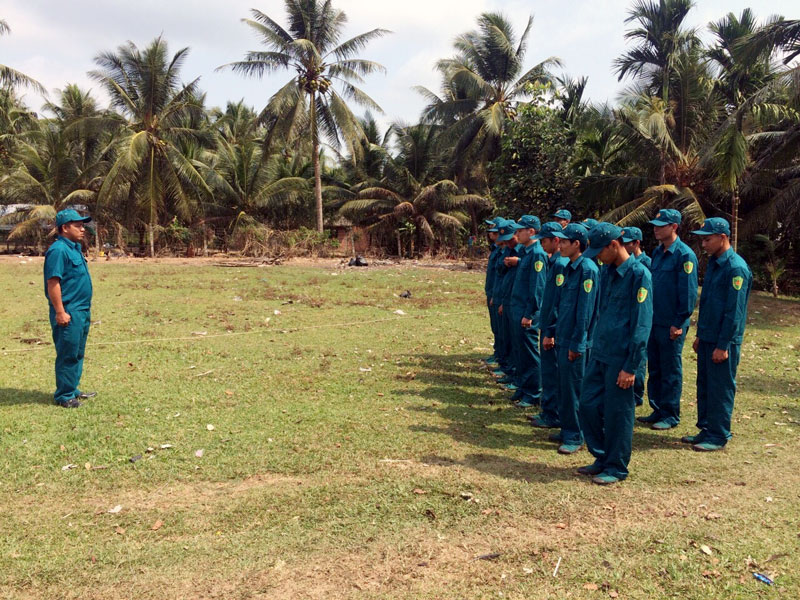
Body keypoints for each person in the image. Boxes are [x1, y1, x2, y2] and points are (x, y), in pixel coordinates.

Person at [577, 223, 653, 485]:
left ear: (614, 245)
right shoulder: (606, 272)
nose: (597, 256)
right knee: (587, 404)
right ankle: (601, 456)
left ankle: (616, 466)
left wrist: (631, 366)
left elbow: (642, 325)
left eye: (600, 251)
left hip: (621, 358)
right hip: (600, 352)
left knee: (618, 414)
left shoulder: (639, 275)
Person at [685, 217, 752, 451]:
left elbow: (734, 312)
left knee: (720, 387)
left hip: (723, 341)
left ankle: (718, 434)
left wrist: (723, 345)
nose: (703, 244)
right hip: (708, 337)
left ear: (723, 238)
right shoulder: (714, 263)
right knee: (705, 384)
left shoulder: (735, 268)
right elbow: (709, 304)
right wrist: (700, 335)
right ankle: (706, 428)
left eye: (708, 239)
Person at [637, 209, 699, 431]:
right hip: (654, 319)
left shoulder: (684, 255)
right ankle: (657, 408)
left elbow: (688, 294)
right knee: (655, 367)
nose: (655, 228)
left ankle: (670, 413)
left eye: (661, 225)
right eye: (655, 224)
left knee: (670, 368)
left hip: (672, 323)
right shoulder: (658, 252)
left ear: (674, 227)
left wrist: (679, 322)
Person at [548, 223, 599, 454]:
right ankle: (567, 427)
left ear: (576, 244)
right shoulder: (570, 267)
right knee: (563, 386)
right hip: (563, 336)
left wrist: (578, 343)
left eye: (564, 242)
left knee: (574, 388)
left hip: (575, 341)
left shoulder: (587, 270)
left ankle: (576, 434)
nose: (560, 245)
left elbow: (585, 311)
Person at [44, 209, 96, 408]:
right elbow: (53, 283)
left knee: (77, 351)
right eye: (78, 225)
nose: (83, 229)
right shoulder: (58, 250)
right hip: (68, 310)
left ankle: (72, 388)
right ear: (64, 228)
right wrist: (60, 311)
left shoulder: (74, 248)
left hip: (82, 309)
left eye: (83, 225)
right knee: (67, 352)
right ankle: (64, 396)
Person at [529, 222, 569, 429]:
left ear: (556, 240)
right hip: (548, 323)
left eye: (544, 240)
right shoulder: (553, 261)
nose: (541, 244)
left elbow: (557, 301)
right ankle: (549, 410)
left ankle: (553, 413)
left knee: (552, 374)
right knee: (549, 372)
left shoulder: (561, 264)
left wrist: (551, 330)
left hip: (553, 327)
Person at [505, 216, 548, 407]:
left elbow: (537, 288)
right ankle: (523, 387)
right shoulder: (526, 252)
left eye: (520, 230)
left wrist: (529, 314)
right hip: (517, 308)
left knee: (530, 353)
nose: (517, 234)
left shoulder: (537, 254)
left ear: (531, 231)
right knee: (520, 350)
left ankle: (533, 392)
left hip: (526, 311)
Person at [620, 226, 651, 407]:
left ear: (636, 243)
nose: (623, 246)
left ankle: (637, 393)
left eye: (627, 243)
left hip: (641, 313)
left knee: (639, 356)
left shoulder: (643, 264)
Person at [490, 220, 519, 383]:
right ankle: (508, 368)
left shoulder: (527, 254)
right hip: (505, 297)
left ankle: (516, 375)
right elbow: (500, 273)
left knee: (518, 345)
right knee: (503, 333)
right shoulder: (506, 250)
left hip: (517, 304)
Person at [482, 218, 503, 366]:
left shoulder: (505, 251)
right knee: (496, 327)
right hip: (492, 291)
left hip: (500, 295)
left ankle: (503, 358)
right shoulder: (496, 249)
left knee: (502, 330)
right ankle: (498, 353)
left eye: (493, 231)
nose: (490, 233)